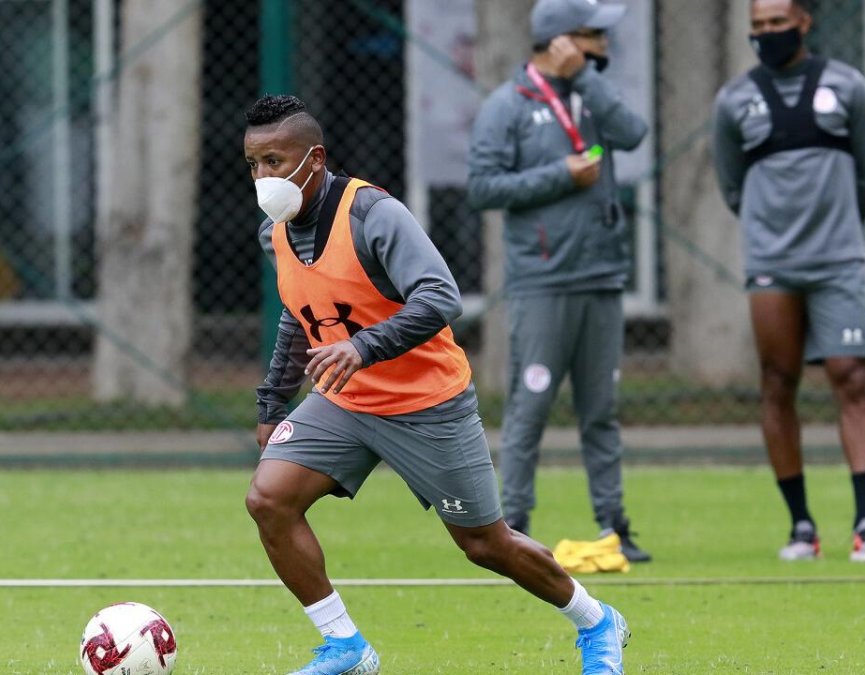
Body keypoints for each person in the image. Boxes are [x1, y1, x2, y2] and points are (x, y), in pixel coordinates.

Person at [244, 94, 630, 675]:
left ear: (315, 159)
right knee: (268, 499)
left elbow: (441, 296)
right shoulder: (276, 232)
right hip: (346, 402)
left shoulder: (373, 215)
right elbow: (298, 316)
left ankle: (597, 622)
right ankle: (346, 647)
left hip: (427, 404)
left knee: (484, 544)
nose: (262, 176)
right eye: (253, 164)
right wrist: (274, 403)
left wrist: (363, 346)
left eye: (274, 161)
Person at [466, 0, 651, 562]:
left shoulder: (594, 92)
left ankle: (614, 523)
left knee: (601, 408)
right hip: (542, 281)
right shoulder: (509, 104)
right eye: (594, 35)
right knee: (532, 404)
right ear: (560, 40)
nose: (605, 44)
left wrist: (586, 81)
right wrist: (558, 175)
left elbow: (632, 133)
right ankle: (513, 524)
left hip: (602, 275)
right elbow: (483, 187)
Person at [712, 0, 865, 562]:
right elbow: (733, 185)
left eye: (777, 22)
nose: (767, 33)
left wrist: (833, 224)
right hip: (772, 263)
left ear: (804, 21)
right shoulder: (733, 100)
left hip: (839, 260)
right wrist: (775, 231)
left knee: (851, 377)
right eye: (759, 25)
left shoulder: (848, 87)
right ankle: (801, 529)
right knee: (777, 381)